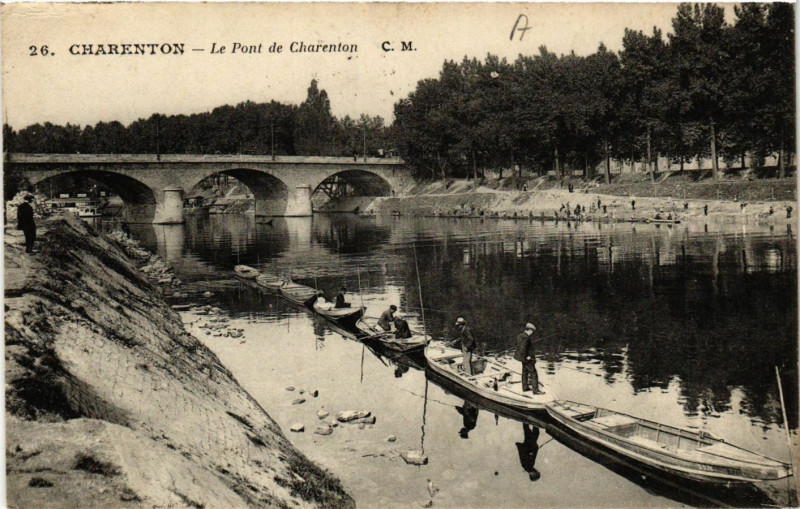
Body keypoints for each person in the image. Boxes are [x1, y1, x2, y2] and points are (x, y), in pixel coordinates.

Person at [514, 322, 542, 394]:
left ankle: (525, 387)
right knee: (533, 373)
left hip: (522, 358)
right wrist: (527, 357)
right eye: (531, 332)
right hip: (527, 359)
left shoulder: (520, 336)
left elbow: (518, 346)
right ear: (529, 330)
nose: (532, 333)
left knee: (525, 372)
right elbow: (523, 348)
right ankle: (536, 391)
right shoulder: (526, 337)